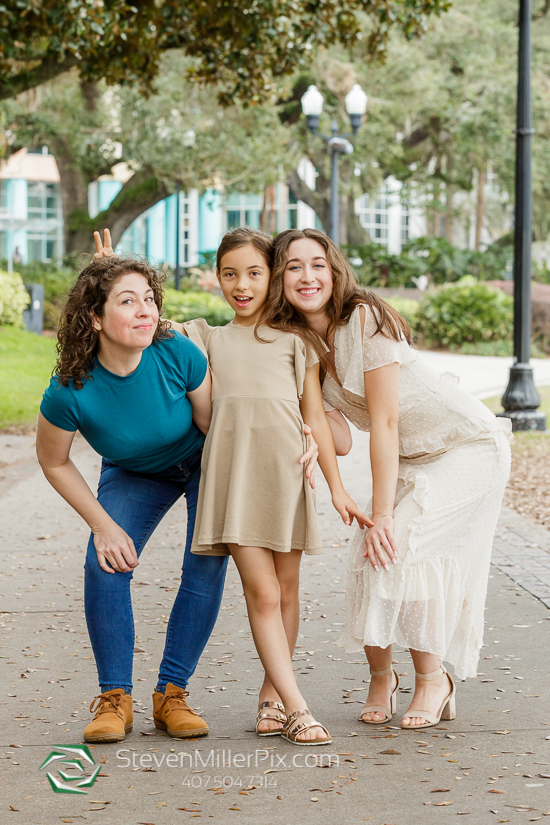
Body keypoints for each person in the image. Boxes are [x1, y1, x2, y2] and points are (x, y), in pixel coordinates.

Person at [266, 227, 512, 730]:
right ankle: (383, 676)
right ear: (279, 278)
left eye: (318, 264)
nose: (307, 276)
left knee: (398, 545)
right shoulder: (300, 341)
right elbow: (341, 436)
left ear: (334, 270)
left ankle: (433, 681)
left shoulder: (365, 317)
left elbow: (385, 422)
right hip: (413, 460)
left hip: (465, 446)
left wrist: (380, 514)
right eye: (293, 266)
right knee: (368, 559)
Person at [170, 227, 371, 745]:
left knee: (285, 591)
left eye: (254, 273)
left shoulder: (296, 342)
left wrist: (337, 488)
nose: (242, 284)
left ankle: (272, 696)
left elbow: (317, 421)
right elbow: (146, 319)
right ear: (216, 278)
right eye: (230, 274)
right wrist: (107, 275)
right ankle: (300, 708)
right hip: (234, 481)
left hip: (285, 478)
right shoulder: (207, 338)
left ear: (272, 277)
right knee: (260, 592)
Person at [36, 231, 229, 744]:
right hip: (134, 472)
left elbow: (214, 426)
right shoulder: (69, 389)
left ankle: (172, 694)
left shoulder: (178, 354)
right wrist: (102, 525)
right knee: (104, 562)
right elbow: (53, 462)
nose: (144, 311)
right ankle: (114, 697)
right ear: (95, 318)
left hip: (202, 459)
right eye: (127, 302)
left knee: (206, 560)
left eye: (149, 300)